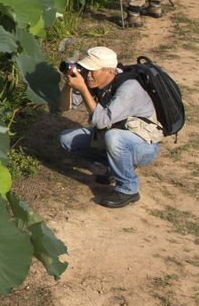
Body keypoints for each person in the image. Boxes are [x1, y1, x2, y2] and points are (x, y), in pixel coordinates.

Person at [58, 46, 163, 208]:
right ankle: (115, 168)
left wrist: (84, 89)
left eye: (93, 71)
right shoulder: (93, 80)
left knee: (113, 137)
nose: (89, 75)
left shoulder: (128, 88)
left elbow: (100, 121)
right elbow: (64, 107)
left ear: (110, 71)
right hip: (118, 136)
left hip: (144, 145)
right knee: (66, 139)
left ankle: (128, 189)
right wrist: (69, 84)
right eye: (87, 69)